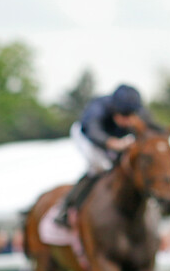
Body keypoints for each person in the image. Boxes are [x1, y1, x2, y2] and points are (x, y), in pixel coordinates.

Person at [54, 84, 158, 227]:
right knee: (100, 167)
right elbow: (93, 131)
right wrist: (113, 143)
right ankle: (66, 207)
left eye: (131, 116)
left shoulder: (139, 111)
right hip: (86, 137)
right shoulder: (97, 108)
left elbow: (153, 130)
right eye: (124, 116)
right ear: (114, 110)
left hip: (116, 138)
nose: (128, 121)